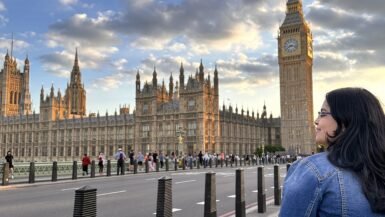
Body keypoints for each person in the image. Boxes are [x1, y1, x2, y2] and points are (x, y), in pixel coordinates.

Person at [279, 87, 385, 216]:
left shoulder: (313, 169)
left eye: (323, 114)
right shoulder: (378, 168)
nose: (316, 120)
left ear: (346, 119)